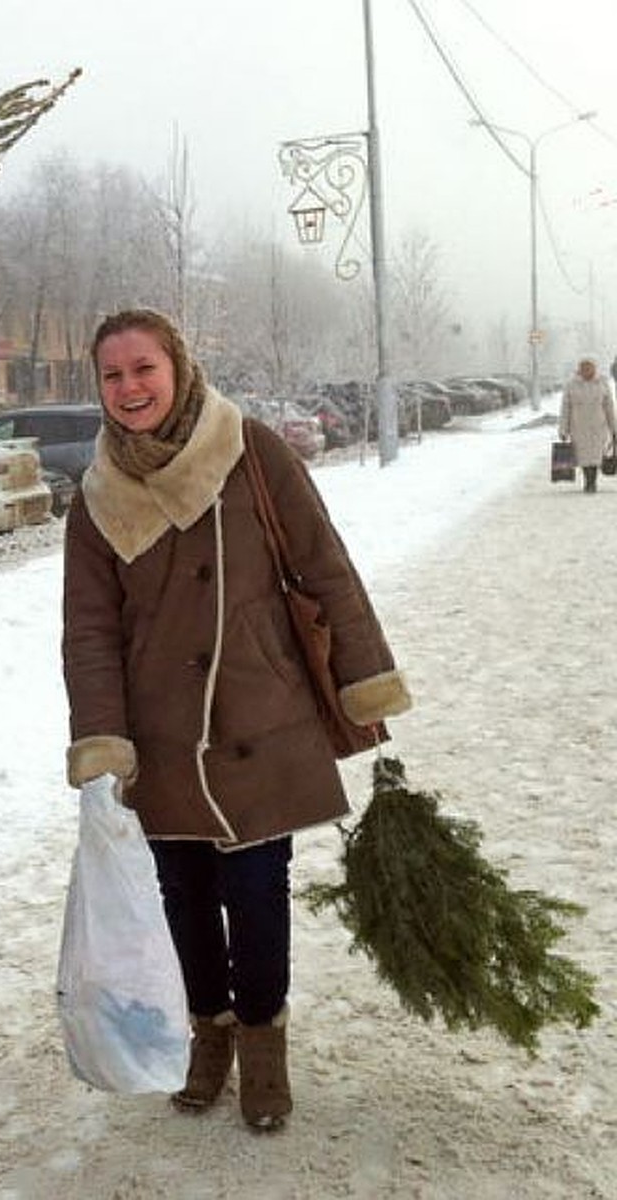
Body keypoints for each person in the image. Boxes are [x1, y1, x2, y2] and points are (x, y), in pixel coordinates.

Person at [60, 309, 411, 1131]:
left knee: (255, 893)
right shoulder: (97, 495)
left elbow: (326, 564)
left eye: (143, 368)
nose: (130, 388)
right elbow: (89, 631)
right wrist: (104, 736)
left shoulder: (249, 450)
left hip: (260, 710)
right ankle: (206, 1034)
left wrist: (366, 677)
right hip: (159, 734)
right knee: (182, 894)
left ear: (177, 367)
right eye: (112, 375)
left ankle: (262, 1046)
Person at [559, 354, 616, 493]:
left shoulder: (602, 383)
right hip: (578, 426)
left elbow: (609, 407)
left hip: (598, 426)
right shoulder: (571, 385)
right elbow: (565, 408)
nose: (587, 370)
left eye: (590, 367)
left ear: (594, 368)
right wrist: (563, 429)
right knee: (584, 456)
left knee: (596, 455)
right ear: (579, 369)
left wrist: (614, 428)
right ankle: (588, 480)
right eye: (584, 367)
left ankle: (592, 482)